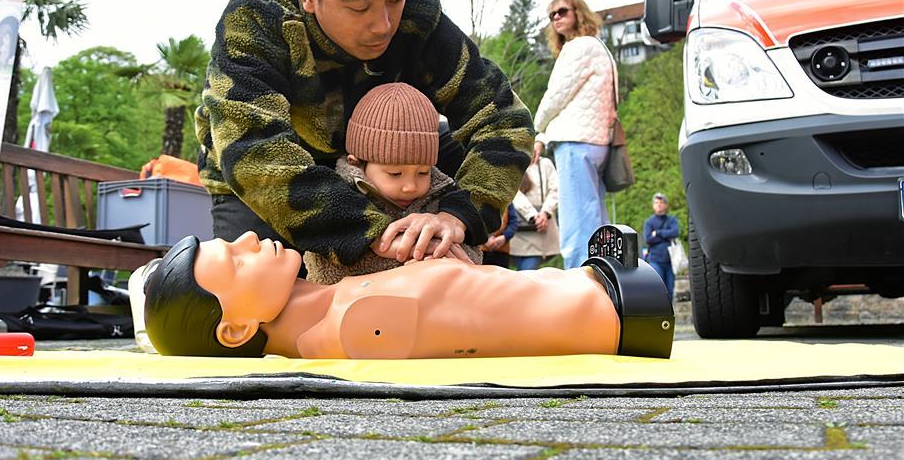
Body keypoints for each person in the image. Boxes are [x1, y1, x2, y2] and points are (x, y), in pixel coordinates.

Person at [196, 0, 532, 278]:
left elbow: (503, 119)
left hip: (384, 158)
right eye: (359, 7)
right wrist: (375, 234)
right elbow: (253, 150)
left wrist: (461, 214)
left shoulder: (419, 19)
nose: (383, 24)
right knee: (257, 307)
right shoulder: (258, 17)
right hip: (268, 175)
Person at [131, 225, 674, 360]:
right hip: (620, 308)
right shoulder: (352, 325)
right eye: (235, 258)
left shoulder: (342, 300)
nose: (250, 238)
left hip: (604, 283)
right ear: (236, 329)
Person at [302, 83, 482, 284]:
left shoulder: (444, 196)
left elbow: (468, 253)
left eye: (423, 172)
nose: (411, 186)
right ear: (357, 163)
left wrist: (452, 234)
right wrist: (411, 264)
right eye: (395, 174)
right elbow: (326, 261)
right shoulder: (334, 199)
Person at [531, 0, 615, 268]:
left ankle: (580, 282)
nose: (556, 17)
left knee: (577, 220)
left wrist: (535, 129)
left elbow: (556, 97)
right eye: (551, 14)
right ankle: (604, 280)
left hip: (577, 142)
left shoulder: (579, 47)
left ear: (578, 12)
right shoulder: (599, 48)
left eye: (562, 11)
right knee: (595, 219)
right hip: (596, 140)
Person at [509, 155, 560, 271]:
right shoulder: (512, 162)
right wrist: (533, 215)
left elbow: (556, 189)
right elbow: (512, 193)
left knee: (525, 276)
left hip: (540, 230)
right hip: (517, 231)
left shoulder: (545, 163)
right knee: (523, 276)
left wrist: (545, 212)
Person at [643, 192, 680, 299]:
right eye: (656, 202)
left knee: (670, 291)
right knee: (659, 289)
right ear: (653, 205)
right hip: (656, 261)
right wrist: (666, 236)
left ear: (666, 205)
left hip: (670, 262)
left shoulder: (672, 220)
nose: (659, 204)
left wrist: (658, 233)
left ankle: (669, 315)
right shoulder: (649, 222)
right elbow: (648, 239)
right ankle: (660, 314)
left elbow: (675, 232)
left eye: (661, 202)